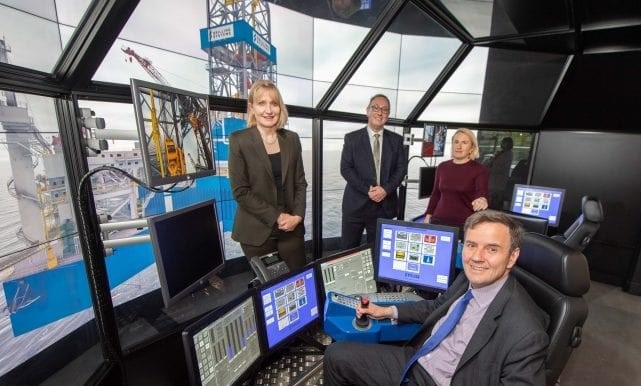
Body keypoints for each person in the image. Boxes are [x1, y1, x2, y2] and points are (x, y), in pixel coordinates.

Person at [323, 210, 549, 386]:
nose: (477, 257)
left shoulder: (527, 334)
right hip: (418, 361)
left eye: (491, 249)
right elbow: (438, 306)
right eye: (471, 245)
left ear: (512, 256)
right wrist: (387, 311)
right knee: (336, 354)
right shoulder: (467, 279)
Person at [228, 80, 307, 270]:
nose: (269, 110)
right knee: (270, 290)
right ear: (252, 108)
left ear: (280, 107)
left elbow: (300, 182)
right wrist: (277, 216)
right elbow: (241, 191)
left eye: (274, 103)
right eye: (261, 103)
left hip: (291, 227)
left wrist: (297, 216)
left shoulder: (292, 139)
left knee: (299, 281)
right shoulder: (239, 140)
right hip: (256, 231)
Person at [340, 94, 406, 249]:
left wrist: (385, 190)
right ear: (367, 111)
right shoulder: (352, 139)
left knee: (379, 253)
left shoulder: (396, 140)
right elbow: (345, 169)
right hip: (355, 205)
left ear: (388, 115)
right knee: (348, 251)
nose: (379, 112)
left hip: (384, 207)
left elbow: (401, 169)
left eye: (384, 109)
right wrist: (367, 190)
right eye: (375, 107)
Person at [424, 128, 489, 230]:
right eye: (456, 142)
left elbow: (481, 193)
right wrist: (428, 215)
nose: (459, 146)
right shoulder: (442, 167)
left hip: (464, 225)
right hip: (438, 221)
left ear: (472, 148)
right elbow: (436, 194)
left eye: (464, 142)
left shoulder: (479, 170)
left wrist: (482, 200)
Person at [485, 137, 513, 210]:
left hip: (498, 183)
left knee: (495, 201)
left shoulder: (507, 154)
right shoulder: (502, 153)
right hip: (494, 181)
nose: (501, 144)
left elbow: (497, 168)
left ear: (508, 144)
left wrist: (489, 166)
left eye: (503, 142)